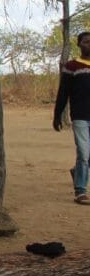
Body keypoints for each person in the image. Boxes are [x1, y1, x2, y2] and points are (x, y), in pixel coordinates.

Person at [53, 31, 90, 204]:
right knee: (83, 152)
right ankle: (80, 191)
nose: (89, 44)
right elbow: (63, 92)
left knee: (88, 155)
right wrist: (57, 114)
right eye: (86, 42)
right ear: (79, 44)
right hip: (81, 116)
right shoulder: (71, 66)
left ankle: (77, 172)